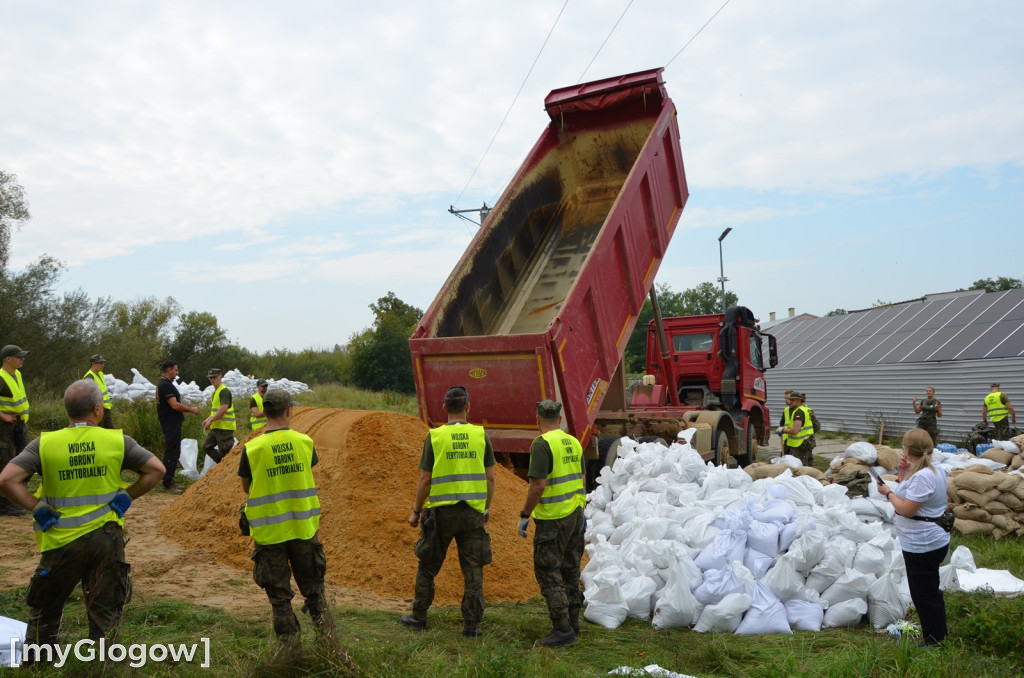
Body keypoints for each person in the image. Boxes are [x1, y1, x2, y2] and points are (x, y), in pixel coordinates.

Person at [0, 380, 165, 661]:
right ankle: (102, 665)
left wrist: (35, 506)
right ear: (98, 409)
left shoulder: (45, 443)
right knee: (105, 611)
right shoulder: (117, 441)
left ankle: (38, 665)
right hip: (106, 540)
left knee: (46, 610)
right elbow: (156, 470)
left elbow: (7, 479)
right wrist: (128, 495)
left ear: (68, 411)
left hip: (60, 541)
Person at [401, 385, 495, 637]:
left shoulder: (435, 436)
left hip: (441, 515)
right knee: (473, 569)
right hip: (472, 513)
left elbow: (425, 479)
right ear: (468, 407)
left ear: (444, 408)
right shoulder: (480, 435)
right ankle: (471, 626)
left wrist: (415, 511)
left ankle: (419, 617)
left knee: (428, 566)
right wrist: (486, 507)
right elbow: (490, 478)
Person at [239, 389, 327, 640]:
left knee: (279, 596)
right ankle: (328, 641)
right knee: (314, 589)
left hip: (269, 532)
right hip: (303, 527)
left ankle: (289, 652)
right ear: (290, 411)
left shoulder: (252, 448)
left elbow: (247, 487)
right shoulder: (305, 442)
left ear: (264, 412)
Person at [517, 399, 586, 649]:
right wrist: (581, 508)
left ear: (537, 419)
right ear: (559, 420)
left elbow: (538, 485)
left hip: (554, 519)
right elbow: (581, 477)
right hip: (575, 514)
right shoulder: (573, 442)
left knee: (548, 571)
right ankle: (574, 623)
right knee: (570, 569)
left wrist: (525, 514)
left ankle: (562, 629)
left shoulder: (542, 444)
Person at [874, 428, 949, 646]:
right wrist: (904, 474)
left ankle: (935, 641)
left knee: (925, 595)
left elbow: (906, 509)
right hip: (926, 541)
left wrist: (888, 493)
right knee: (927, 591)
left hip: (923, 544)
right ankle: (936, 633)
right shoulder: (930, 470)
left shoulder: (924, 476)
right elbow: (911, 493)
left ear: (907, 448)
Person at [155, 360, 200, 492]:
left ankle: (168, 480)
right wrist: (191, 409)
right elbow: (174, 405)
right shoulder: (165, 385)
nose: (177, 372)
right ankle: (168, 482)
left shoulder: (166, 384)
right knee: (172, 453)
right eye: (175, 369)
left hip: (171, 422)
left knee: (173, 451)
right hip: (170, 423)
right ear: (168, 370)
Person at [0, 344, 31, 515]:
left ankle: (18, 495)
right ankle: (4, 502)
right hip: (5, 428)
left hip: (19, 424)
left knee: (23, 459)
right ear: (7, 359)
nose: (22, 359)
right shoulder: (1, 376)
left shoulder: (17, 374)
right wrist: (3, 416)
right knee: (6, 461)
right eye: (18, 356)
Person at [201, 368, 235, 463]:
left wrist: (211, 420)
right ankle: (223, 465)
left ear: (220, 377)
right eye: (210, 378)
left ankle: (226, 466)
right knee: (206, 447)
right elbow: (216, 410)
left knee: (224, 451)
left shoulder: (224, 391)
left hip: (225, 428)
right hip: (217, 426)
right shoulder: (215, 392)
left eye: (214, 377)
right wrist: (208, 419)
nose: (212, 379)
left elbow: (223, 409)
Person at [777, 391, 814, 467]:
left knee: (799, 467)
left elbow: (795, 430)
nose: (791, 401)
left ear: (799, 400)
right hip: (793, 442)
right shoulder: (796, 411)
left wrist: (783, 430)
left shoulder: (799, 412)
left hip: (801, 443)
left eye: (793, 399)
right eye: (790, 399)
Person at [83, 354, 114, 429]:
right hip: (97, 410)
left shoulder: (100, 373)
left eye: (103, 363)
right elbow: (88, 395)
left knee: (110, 431)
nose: (102, 365)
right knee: (99, 431)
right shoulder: (89, 377)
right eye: (100, 363)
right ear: (93, 364)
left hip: (105, 409)